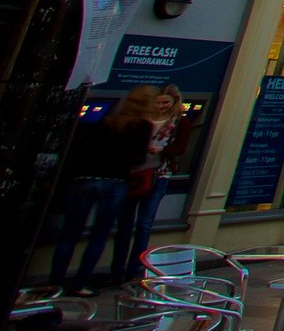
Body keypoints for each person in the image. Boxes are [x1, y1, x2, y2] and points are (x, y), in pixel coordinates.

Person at [47, 91, 149, 291]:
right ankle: (80, 284)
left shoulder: (106, 121)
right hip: (114, 182)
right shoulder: (142, 126)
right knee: (99, 234)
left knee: (69, 234)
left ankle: (54, 284)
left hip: (84, 180)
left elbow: (82, 148)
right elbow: (138, 158)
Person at [110, 85, 185, 281]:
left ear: (174, 102)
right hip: (135, 174)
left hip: (159, 175)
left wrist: (161, 150)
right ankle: (117, 270)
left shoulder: (178, 123)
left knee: (144, 223)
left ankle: (135, 268)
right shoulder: (143, 122)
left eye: (165, 103)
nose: (161, 106)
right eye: (158, 102)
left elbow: (180, 148)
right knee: (125, 224)